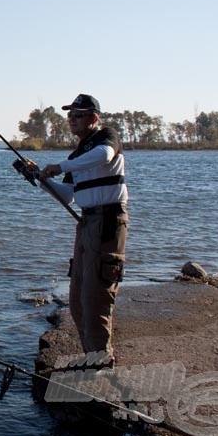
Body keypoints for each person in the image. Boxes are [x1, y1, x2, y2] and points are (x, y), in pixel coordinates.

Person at [27, 94, 128, 366]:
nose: (72, 119)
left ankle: (102, 363)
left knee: (96, 296)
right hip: (84, 223)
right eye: (70, 115)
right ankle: (92, 359)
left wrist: (60, 166)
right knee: (78, 298)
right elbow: (68, 195)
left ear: (94, 118)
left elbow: (104, 155)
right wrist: (41, 179)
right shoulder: (77, 155)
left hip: (107, 221)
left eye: (79, 114)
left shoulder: (106, 137)